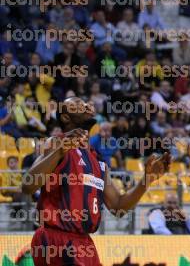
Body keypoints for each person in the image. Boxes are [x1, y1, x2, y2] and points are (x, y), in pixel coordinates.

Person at [21, 97, 171, 266]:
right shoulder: (56, 143)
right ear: (65, 117)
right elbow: (27, 186)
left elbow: (118, 207)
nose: (86, 106)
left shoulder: (98, 162)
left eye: (86, 104)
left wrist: (147, 180)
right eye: (78, 105)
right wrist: (58, 152)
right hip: (57, 238)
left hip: (85, 243)